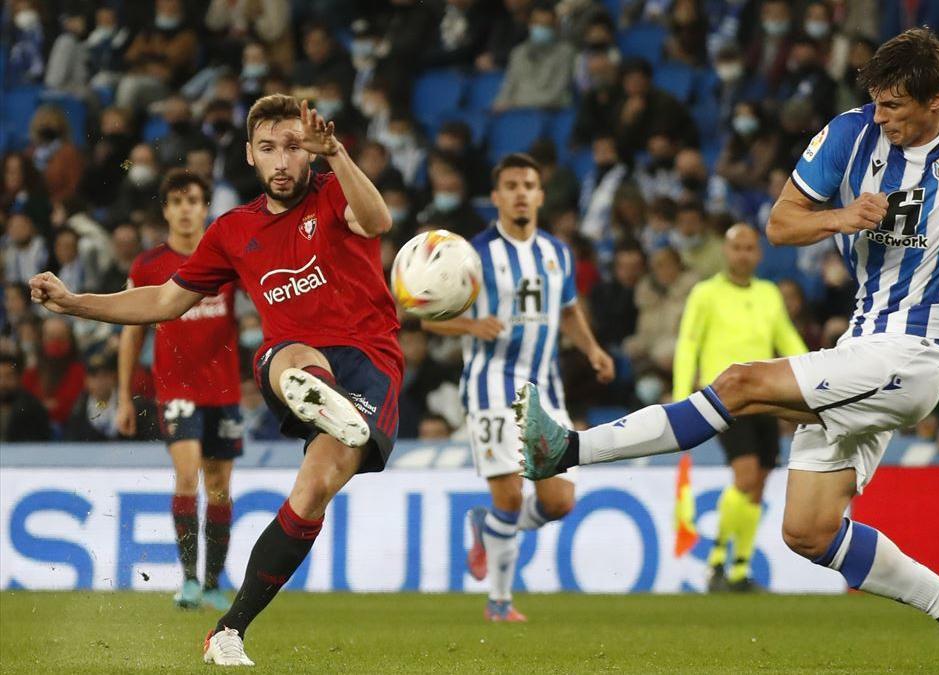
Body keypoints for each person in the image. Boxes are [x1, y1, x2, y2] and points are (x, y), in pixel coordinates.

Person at [515, 28, 939, 673]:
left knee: (740, 383)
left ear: (937, 99)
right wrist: (838, 218)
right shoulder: (850, 133)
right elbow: (781, 224)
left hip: (913, 354)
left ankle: (566, 449)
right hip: (862, 345)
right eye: (876, 101)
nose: (882, 116)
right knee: (809, 533)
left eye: (895, 105)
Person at [29, 94, 400, 667]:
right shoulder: (233, 230)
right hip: (292, 358)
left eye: (294, 148)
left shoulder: (333, 193)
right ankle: (316, 394)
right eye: (269, 149)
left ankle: (227, 630)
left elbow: (377, 221)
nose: (282, 161)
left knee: (313, 492)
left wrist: (339, 156)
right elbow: (164, 299)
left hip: (370, 363)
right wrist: (76, 302)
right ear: (250, 155)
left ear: (309, 153)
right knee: (294, 355)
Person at [422, 153, 614, 622]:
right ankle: (500, 603)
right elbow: (428, 319)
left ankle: (486, 527)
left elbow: (568, 310)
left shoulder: (557, 253)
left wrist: (591, 349)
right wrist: (470, 325)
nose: (521, 192)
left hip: (544, 389)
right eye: (510, 185)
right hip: (490, 387)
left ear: (541, 194)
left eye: (529, 184)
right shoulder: (473, 256)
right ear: (496, 197)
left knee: (559, 501)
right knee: (509, 494)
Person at [115, 169, 243, 612]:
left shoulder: (228, 258)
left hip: (224, 389)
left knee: (220, 486)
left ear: (205, 207)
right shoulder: (149, 265)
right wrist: (123, 396)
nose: (185, 208)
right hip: (176, 388)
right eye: (177, 201)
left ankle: (211, 583)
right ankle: (188, 580)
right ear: (166, 210)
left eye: (193, 200)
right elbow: (132, 333)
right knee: (188, 473)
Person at [674, 224, 807, 592]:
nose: (743, 254)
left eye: (750, 248)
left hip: (765, 397)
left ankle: (739, 570)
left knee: (759, 482)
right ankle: (716, 560)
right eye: (737, 247)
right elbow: (689, 343)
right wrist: (680, 392)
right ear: (726, 252)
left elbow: (786, 338)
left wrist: (817, 375)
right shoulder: (705, 294)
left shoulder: (768, 294)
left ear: (758, 254)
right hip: (725, 397)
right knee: (745, 476)